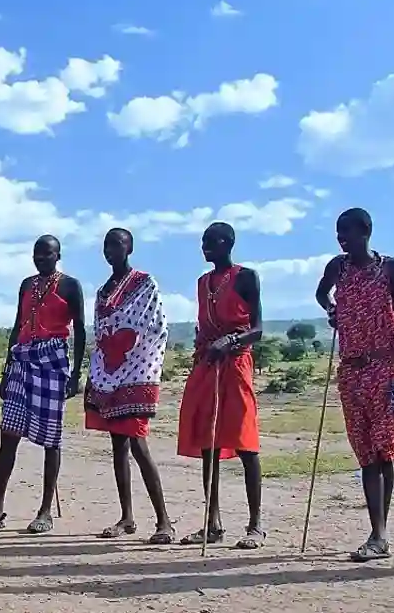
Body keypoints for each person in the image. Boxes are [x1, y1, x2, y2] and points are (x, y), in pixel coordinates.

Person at [0, 235, 85, 535]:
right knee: (9, 433)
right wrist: (7, 370)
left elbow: (81, 330)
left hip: (52, 360)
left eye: (47, 254)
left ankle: (45, 512)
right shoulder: (26, 285)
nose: (41, 258)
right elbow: (18, 325)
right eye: (36, 254)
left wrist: (75, 375)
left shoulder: (71, 286)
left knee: (51, 438)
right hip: (22, 359)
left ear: (58, 255)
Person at [316, 208, 394, 562]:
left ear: (367, 231)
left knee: (384, 451)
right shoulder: (336, 268)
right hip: (352, 370)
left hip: (386, 367)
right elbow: (321, 293)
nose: (342, 238)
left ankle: (379, 533)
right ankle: (378, 532)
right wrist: (332, 310)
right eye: (338, 232)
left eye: (348, 232)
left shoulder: (389, 268)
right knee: (366, 454)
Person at [176, 222, 266, 549]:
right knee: (208, 443)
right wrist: (204, 348)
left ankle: (255, 525)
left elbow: (258, 329)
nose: (204, 248)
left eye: (210, 242)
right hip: (209, 362)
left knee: (245, 442)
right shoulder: (203, 283)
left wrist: (231, 340)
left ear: (227, 243)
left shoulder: (245, 277)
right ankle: (211, 524)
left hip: (237, 362)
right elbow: (204, 327)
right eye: (203, 242)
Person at [84, 228, 173, 544]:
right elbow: (102, 333)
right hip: (110, 373)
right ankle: (127, 517)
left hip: (137, 371)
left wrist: (137, 363)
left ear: (130, 248)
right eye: (107, 245)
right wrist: (98, 373)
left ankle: (164, 523)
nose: (111, 250)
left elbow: (154, 326)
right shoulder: (103, 291)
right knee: (118, 445)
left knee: (137, 443)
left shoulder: (144, 284)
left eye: (117, 244)